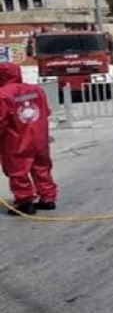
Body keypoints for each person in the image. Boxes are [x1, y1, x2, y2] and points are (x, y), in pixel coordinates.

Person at [0, 63, 59, 216]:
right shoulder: (37, 90)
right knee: (42, 167)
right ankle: (48, 198)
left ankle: (25, 202)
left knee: (18, 170)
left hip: (16, 139)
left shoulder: (3, 94)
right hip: (39, 137)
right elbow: (46, 111)